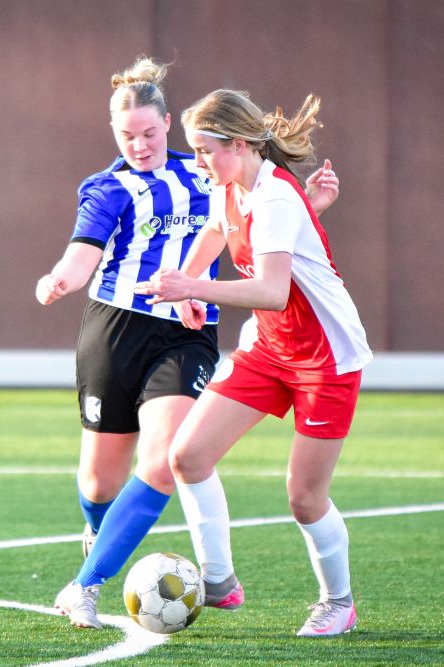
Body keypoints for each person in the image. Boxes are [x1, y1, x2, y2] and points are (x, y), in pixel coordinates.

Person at [36, 58, 340, 630]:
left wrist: (308, 209)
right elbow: (82, 255)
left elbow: (258, 222)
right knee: (100, 483)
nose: (140, 145)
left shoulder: (208, 171)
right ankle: (102, 535)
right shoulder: (107, 188)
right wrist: (58, 279)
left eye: (150, 133)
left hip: (186, 330)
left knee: (163, 461)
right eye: (127, 136)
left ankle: (84, 587)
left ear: (168, 123)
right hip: (114, 329)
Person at [134, 89, 372, 637]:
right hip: (269, 348)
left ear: (239, 145)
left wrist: (193, 287)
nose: (197, 161)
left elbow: (271, 291)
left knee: (304, 499)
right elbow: (218, 230)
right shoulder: (231, 186)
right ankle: (218, 581)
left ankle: (338, 603)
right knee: (187, 456)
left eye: (204, 150)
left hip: (325, 358)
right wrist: (191, 281)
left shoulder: (276, 198)